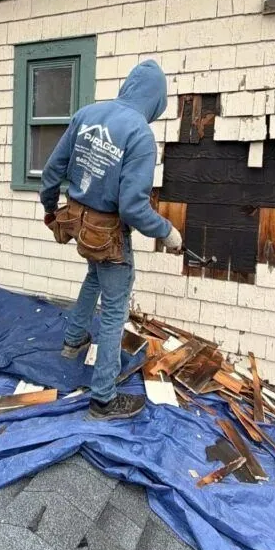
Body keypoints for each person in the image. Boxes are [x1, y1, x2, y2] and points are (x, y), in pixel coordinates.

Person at [40, 59, 182, 421]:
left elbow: (53, 169)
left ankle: (73, 341)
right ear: (155, 101)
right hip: (108, 232)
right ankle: (103, 399)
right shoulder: (140, 135)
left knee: (94, 275)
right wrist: (166, 232)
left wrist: (49, 208)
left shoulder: (87, 113)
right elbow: (133, 207)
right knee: (115, 307)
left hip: (79, 222)